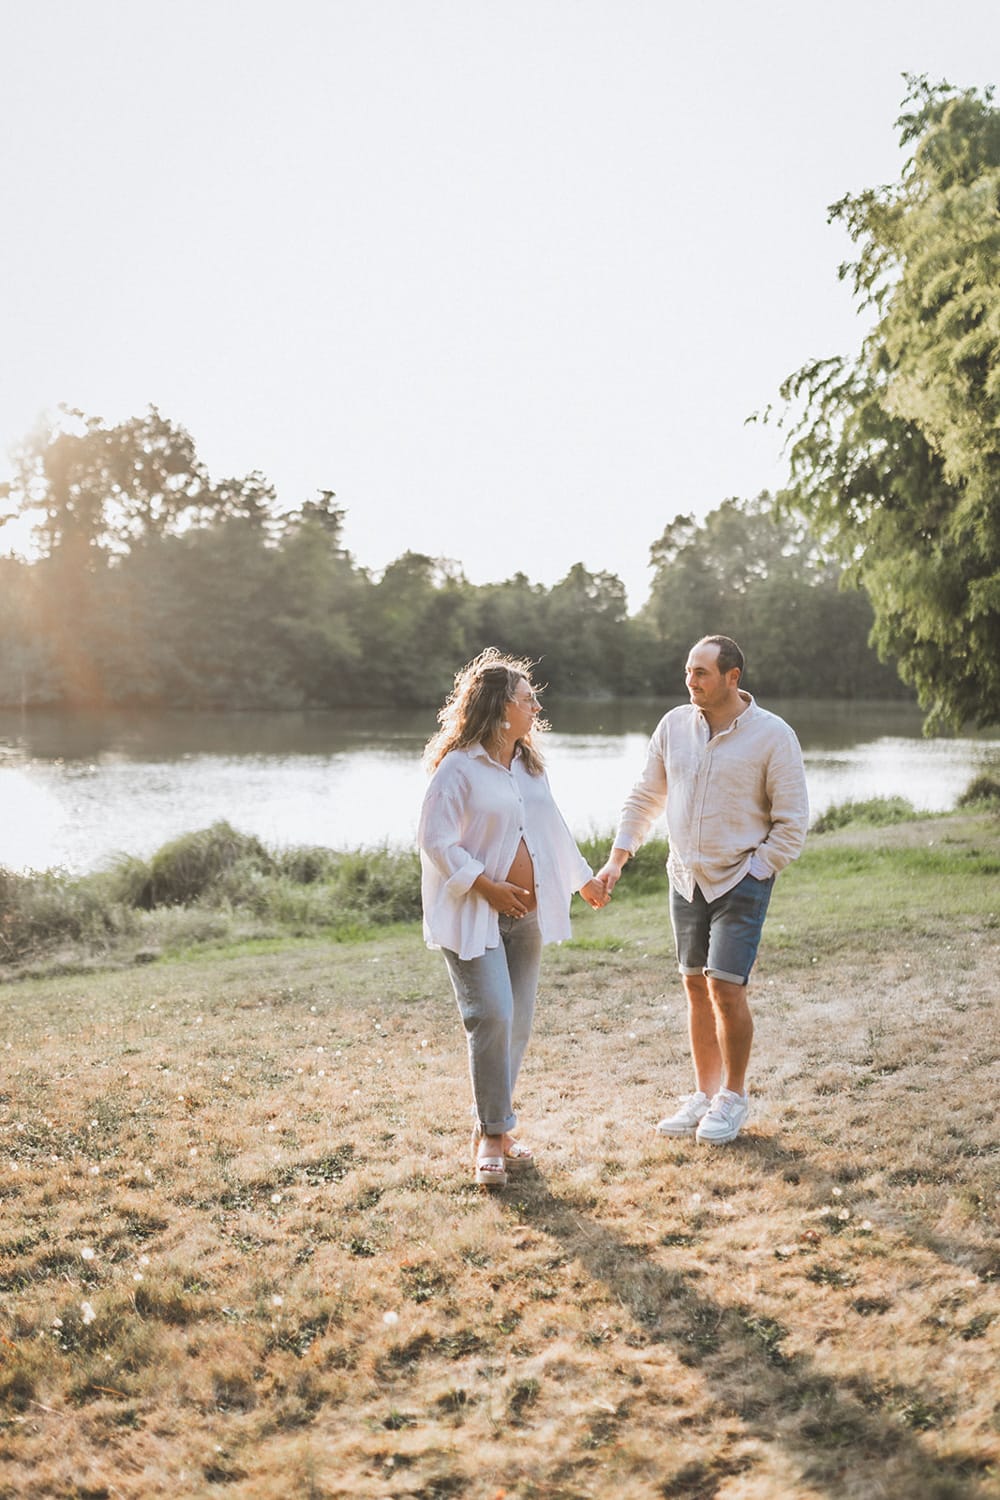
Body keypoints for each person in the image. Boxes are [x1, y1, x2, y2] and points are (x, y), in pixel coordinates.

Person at [595, 635, 808, 1144]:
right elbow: (646, 795)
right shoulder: (673, 726)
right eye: (689, 671)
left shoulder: (773, 736)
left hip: (741, 879)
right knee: (695, 985)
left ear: (733, 677)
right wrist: (617, 859)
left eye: (702, 673)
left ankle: (732, 1098)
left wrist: (759, 869)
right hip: (684, 879)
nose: (691, 681)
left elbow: (792, 822)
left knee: (726, 988)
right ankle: (704, 1094)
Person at [419, 648, 607, 1187]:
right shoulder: (459, 768)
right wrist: (487, 887)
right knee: (492, 1016)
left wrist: (584, 879)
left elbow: (551, 829)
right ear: (502, 708)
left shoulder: (528, 765)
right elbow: (435, 841)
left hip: (527, 916)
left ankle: (492, 1131)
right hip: (473, 913)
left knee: (516, 1026)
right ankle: (493, 1135)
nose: (535, 706)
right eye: (527, 699)